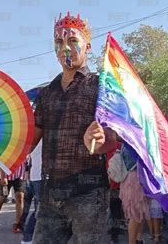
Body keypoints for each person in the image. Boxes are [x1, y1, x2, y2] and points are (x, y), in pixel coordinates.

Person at [32, 12, 117, 243]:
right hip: (50, 194)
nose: (65, 48)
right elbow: (29, 140)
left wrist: (101, 141)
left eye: (72, 41)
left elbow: (113, 138)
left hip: (88, 194)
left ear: (87, 46)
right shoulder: (46, 93)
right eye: (59, 42)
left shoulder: (101, 86)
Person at [118, 143, 149, 244]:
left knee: (139, 212)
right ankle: (132, 241)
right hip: (134, 179)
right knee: (135, 213)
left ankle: (137, 239)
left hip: (132, 178)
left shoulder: (125, 144)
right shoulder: (132, 143)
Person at [0, 161, 26, 233]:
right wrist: (3, 176)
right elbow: (1, 159)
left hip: (19, 174)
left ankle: (17, 223)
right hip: (6, 175)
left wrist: (27, 172)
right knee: (3, 197)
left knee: (20, 197)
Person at [21, 140, 42, 244]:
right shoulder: (40, 136)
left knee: (39, 209)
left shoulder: (34, 137)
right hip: (40, 177)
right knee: (40, 210)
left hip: (36, 176)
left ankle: (28, 238)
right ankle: (27, 239)